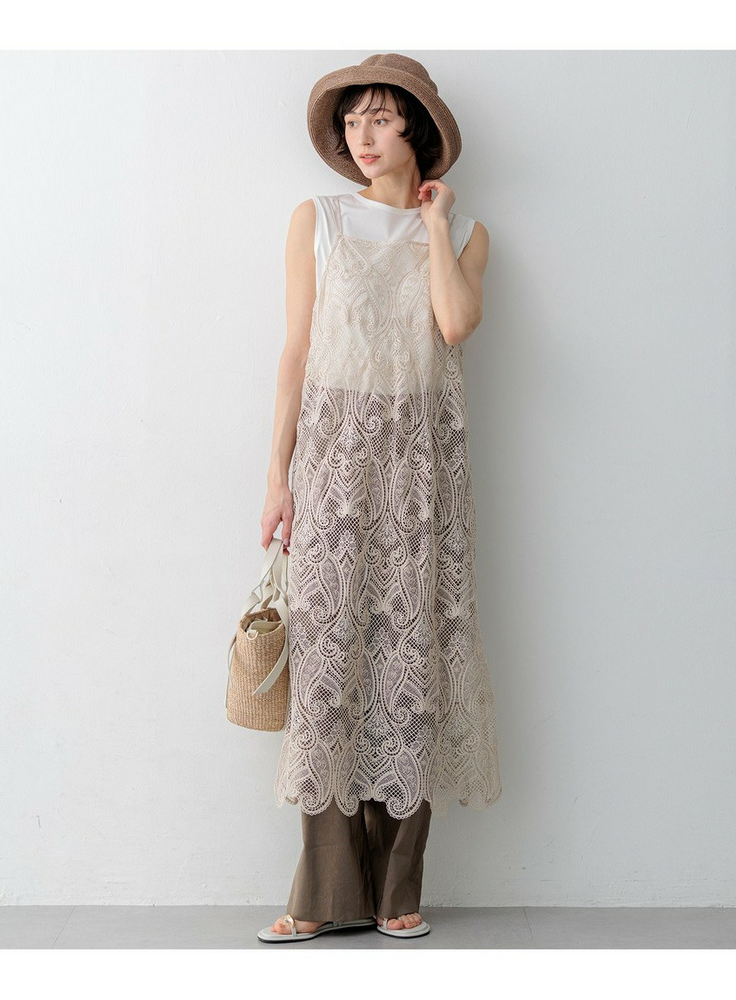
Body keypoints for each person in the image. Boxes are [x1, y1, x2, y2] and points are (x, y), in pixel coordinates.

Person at [257, 53, 501, 943]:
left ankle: (399, 891)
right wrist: (278, 476)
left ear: (416, 131)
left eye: (381, 118)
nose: (362, 135)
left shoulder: (467, 232)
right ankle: (324, 897)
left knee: (412, 663)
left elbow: (455, 324)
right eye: (352, 119)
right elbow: (296, 351)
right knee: (329, 664)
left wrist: (434, 225)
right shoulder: (317, 219)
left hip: (422, 471)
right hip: (333, 460)